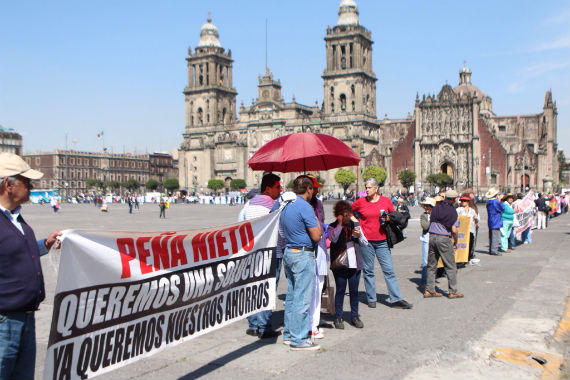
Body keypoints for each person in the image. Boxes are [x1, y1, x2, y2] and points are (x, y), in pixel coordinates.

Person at [0, 152, 62, 380]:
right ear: (8, 184)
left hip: (26, 317)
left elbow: (13, 253)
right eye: (26, 182)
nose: (31, 186)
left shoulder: (17, 220)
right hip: (4, 321)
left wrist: (44, 244)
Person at [351, 178, 412, 309]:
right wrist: (356, 223)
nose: (366, 190)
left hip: (382, 241)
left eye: (368, 188)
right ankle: (371, 298)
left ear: (376, 188)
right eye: (365, 187)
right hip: (366, 241)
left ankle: (396, 298)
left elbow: (393, 215)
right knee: (368, 270)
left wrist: (388, 218)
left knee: (389, 270)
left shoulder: (385, 201)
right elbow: (346, 210)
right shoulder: (361, 202)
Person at [279, 175, 322, 351]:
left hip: (288, 251)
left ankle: (289, 334)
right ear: (309, 189)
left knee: (291, 296)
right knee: (302, 299)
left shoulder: (285, 204)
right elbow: (316, 235)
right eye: (313, 189)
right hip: (303, 254)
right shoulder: (305, 206)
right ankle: (299, 339)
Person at [239, 173, 282, 339]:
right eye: (278, 187)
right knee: (268, 288)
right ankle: (263, 326)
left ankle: (253, 324)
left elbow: (240, 224)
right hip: (272, 253)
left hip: (252, 252)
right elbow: (281, 231)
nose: (280, 190)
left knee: (253, 287)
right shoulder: (275, 206)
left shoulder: (249, 204)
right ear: (268, 188)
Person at [327, 201, 366, 329]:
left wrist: (359, 236)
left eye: (348, 214)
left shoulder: (354, 225)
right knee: (340, 290)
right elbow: (333, 239)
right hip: (340, 265)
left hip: (355, 263)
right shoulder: (332, 226)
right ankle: (338, 316)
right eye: (343, 214)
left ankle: (354, 316)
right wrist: (339, 224)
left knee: (354, 291)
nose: (346, 217)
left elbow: (365, 243)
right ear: (337, 214)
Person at [424, 189, 463, 299]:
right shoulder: (452, 211)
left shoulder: (436, 207)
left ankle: (429, 290)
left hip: (432, 237)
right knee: (450, 266)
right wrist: (456, 240)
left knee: (431, 265)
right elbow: (454, 230)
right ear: (455, 199)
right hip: (443, 238)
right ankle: (453, 291)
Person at [306, 174, 328, 340]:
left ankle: (313, 324)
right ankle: (311, 325)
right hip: (313, 249)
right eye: (315, 187)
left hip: (318, 249)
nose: (317, 190)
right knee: (313, 288)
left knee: (316, 288)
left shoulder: (317, 203)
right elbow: (318, 228)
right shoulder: (312, 205)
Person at [457, 195, 480, 264]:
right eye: (462, 201)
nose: (463, 202)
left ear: (468, 202)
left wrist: (476, 220)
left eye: (465, 201)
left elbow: (477, 219)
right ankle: (461, 258)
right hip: (462, 231)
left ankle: (468, 258)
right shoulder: (459, 210)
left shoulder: (472, 211)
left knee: (470, 244)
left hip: (471, 229)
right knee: (462, 245)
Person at [419, 198, 436, 288]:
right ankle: (424, 281)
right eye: (425, 206)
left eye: (428, 206)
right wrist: (432, 220)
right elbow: (425, 226)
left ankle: (431, 281)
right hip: (426, 239)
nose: (426, 207)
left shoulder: (437, 215)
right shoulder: (423, 216)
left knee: (434, 262)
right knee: (425, 262)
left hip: (435, 239)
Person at [485, 188, 505, 256]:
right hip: (496, 220)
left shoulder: (489, 202)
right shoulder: (495, 202)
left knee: (491, 236)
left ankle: (491, 249)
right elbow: (502, 208)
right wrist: (500, 201)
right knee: (495, 236)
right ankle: (494, 250)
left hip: (491, 220)